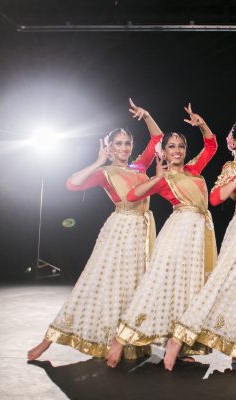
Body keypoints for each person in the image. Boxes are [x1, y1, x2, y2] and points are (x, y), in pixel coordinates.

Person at [27, 99, 162, 361]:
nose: (123, 147)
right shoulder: (105, 172)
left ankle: (122, 342)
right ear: (110, 147)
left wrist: (147, 115)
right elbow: (72, 184)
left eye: (127, 143)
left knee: (133, 288)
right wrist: (98, 160)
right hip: (120, 230)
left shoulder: (140, 167)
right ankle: (47, 341)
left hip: (142, 232)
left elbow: (157, 137)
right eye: (118, 143)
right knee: (96, 285)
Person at [163, 98, 236, 370]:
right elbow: (216, 198)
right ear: (233, 143)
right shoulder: (231, 167)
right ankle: (178, 339)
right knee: (221, 285)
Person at [106, 103, 218, 368]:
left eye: (180, 146)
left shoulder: (193, 170)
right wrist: (156, 178)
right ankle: (120, 339)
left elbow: (212, 146)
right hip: (177, 232)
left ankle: (175, 344)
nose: (177, 150)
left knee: (187, 290)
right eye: (171, 146)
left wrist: (201, 124)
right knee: (158, 286)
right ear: (163, 152)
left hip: (199, 234)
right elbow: (132, 196)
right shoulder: (163, 177)